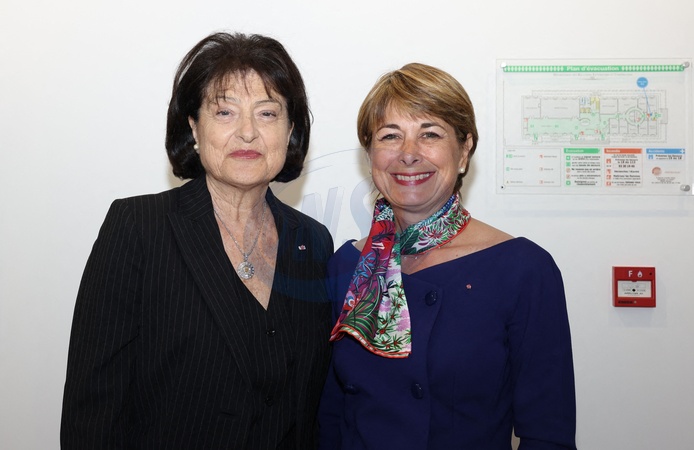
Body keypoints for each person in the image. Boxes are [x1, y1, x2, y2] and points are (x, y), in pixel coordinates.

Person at [61, 32, 334, 449]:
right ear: (193, 127)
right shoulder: (138, 228)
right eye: (225, 112)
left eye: (267, 113)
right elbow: (93, 409)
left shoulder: (313, 242)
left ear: (290, 130)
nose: (247, 133)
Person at [318, 63, 576, 449]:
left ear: (464, 150)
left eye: (430, 134)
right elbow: (330, 417)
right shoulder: (346, 265)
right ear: (370, 153)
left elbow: (547, 435)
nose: (408, 154)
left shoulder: (522, 269)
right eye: (390, 136)